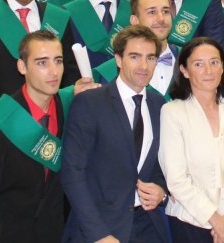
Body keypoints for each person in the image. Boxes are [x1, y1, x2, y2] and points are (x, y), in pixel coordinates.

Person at [62, 24, 171, 241]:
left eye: (150, 58)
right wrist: (99, 234)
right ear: (118, 60)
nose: (143, 66)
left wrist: (161, 190)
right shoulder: (90, 102)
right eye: (134, 57)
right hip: (99, 228)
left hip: (148, 226)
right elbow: (72, 174)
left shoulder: (160, 104)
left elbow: (161, 164)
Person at [158, 37, 224, 242]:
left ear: (223, 67)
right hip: (190, 222)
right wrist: (215, 219)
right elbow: (176, 179)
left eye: (214, 62)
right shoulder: (173, 112)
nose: (208, 70)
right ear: (184, 71)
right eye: (198, 64)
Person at [0, 30, 69, 242]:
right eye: (42, 63)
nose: (54, 71)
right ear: (22, 67)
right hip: (8, 235)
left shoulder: (68, 109)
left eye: (58, 61)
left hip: (54, 233)